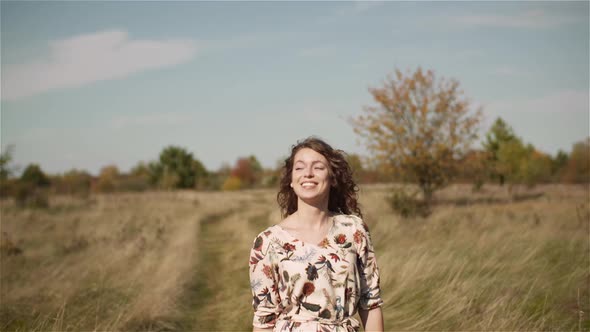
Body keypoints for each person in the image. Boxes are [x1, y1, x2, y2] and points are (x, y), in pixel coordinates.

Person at [249, 137, 384, 332]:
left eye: (318, 167)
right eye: (300, 168)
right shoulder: (268, 242)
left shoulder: (354, 230)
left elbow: (370, 302)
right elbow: (264, 320)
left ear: (332, 178)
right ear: (291, 182)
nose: (308, 174)